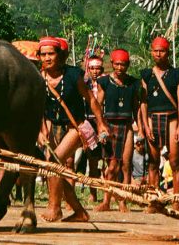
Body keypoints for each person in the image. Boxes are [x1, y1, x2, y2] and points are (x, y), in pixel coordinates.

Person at [38, 36, 109, 223]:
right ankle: (80, 212)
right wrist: (41, 130)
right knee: (54, 170)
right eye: (43, 54)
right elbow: (37, 108)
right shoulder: (39, 77)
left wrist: (101, 123)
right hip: (53, 127)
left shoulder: (73, 75)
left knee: (53, 163)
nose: (47, 58)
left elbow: (91, 100)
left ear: (59, 55)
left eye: (50, 54)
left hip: (75, 127)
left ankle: (54, 208)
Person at [139, 36, 179, 208]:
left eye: (162, 51)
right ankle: (153, 201)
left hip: (171, 119)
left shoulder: (176, 75)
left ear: (168, 52)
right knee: (153, 162)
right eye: (155, 51)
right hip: (153, 119)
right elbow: (143, 102)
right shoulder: (146, 75)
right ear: (151, 52)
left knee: (174, 162)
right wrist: (145, 125)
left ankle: (177, 202)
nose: (158, 54)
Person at [96, 48, 142, 212]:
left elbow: (136, 108)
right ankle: (106, 200)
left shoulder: (133, 83)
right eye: (117, 64)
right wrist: (100, 127)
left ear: (128, 65)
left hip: (127, 126)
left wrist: (141, 129)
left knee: (126, 165)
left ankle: (123, 200)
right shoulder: (105, 82)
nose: (120, 68)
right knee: (112, 166)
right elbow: (97, 106)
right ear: (112, 64)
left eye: (123, 65)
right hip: (110, 126)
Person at [83, 54, 104, 204]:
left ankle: (109, 196)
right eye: (92, 68)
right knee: (92, 161)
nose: (95, 71)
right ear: (88, 69)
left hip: (104, 123)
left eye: (98, 68)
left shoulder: (107, 83)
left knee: (109, 162)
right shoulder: (84, 84)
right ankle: (93, 193)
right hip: (88, 123)